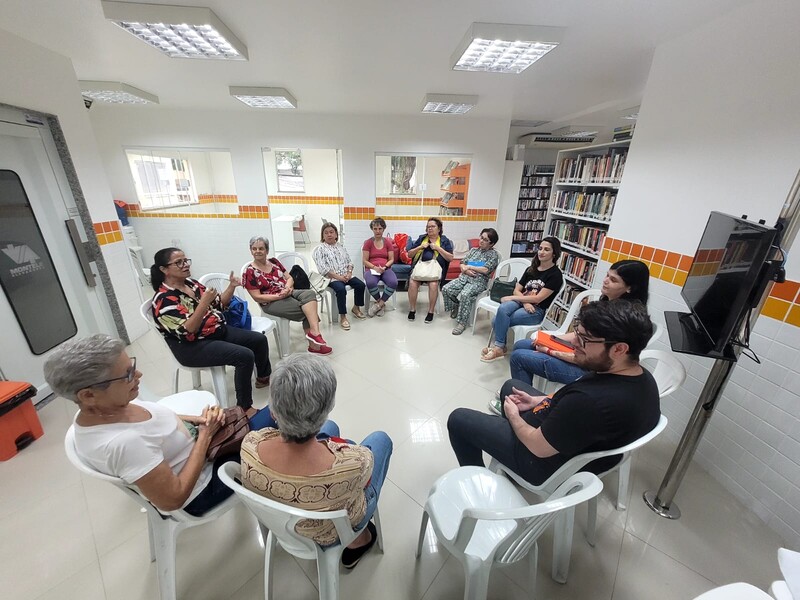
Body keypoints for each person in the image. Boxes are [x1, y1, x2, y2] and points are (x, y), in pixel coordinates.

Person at [44, 334, 279, 516]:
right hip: (203, 487)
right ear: (88, 395)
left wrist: (195, 421)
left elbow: (152, 420)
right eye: (127, 375)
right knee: (282, 411)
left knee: (275, 414)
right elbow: (173, 499)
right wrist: (206, 435)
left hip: (201, 448)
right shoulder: (124, 443)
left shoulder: (104, 408)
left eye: (133, 366)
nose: (139, 375)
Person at [448, 300, 660, 486]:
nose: (574, 343)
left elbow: (539, 447)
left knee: (458, 419)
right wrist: (535, 400)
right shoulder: (640, 377)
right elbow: (572, 403)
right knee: (510, 386)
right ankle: (508, 458)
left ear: (619, 349)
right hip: (565, 437)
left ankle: (478, 483)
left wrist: (513, 416)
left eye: (584, 339)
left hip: (541, 463)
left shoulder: (589, 402)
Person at [241, 354, 392, 569]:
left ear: (273, 411)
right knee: (380, 440)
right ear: (326, 410)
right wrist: (344, 451)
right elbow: (361, 469)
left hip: (281, 523)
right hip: (331, 532)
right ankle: (359, 540)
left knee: (333, 431)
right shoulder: (356, 462)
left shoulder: (250, 443)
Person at [150, 247, 271, 414]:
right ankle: (244, 408)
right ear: (163, 269)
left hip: (215, 330)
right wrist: (203, 303)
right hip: (192, 346)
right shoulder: (164, 299)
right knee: (244, 355)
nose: (185, 265)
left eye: (186, 260)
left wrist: (232, 286)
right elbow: (188, 330)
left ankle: (263, 378)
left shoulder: (191, 284)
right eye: (179, 262)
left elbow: (219, 304)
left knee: (259, 340)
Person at [506, 259, 650, 392]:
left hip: (590, 369)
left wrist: (549, 350)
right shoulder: (607, 304)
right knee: (522, 344)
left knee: (519, 356)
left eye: (613, 280)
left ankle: (524, 404)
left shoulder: (620, 319)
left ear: (630, 288)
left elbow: (590, 360)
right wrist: (553, 340)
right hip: (581, 354)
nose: (605, 281)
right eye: (607, 275)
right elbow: (580, 337)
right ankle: (525, 394)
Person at [242, 236, 332, 356]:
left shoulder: (274, 262)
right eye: (254, 249)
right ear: (251, 250)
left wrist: (287, 288)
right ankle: (314, 345)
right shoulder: (249, 272)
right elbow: (257, 297)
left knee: (310, 294)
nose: (257, 251)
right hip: (270, 301)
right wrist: (279, 296)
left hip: (286, 292)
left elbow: (289, 278)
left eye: (261, 248)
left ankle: (314, 333)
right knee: (307, 310)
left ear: (267, 250)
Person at [480, 237, 563, 362]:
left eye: (546, 250)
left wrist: (513, 298)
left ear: (554, 253)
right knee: (503, 309)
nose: (541, 252)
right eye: (540, 248)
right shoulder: (531, 269)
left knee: (497, 320)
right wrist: (525, 302)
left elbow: (538, 298)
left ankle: (498, 348)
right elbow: (517, 289)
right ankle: (499, 348)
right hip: (523, 303)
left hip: (536, 310)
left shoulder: (555, 275)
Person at [441, 228, 500, 335]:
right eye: (481, 237)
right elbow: (462, 262)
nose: (481, 241)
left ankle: (462, 323)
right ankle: (456, 305)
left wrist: (470, 267)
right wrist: (464, 268)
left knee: (465, 294)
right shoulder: (473, 251)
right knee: (446, 289)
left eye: (485, 240)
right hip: (464, 278)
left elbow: (486, 270)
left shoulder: (493, 255)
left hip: (478, 282)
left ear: (491, 243)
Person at [313, 222, 367, 331]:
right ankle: (343, 316)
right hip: (332, 278)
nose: (329, 235)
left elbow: (349, 262)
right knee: (341, 290)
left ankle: (356, 308)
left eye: (331, 232)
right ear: (322, 236)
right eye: (326, 233)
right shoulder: (320, 249)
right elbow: (323, 269)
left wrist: (349, 272)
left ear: (336, 234)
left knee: (361, 285)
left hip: (346, 275)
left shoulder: (341, 246)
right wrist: (339, 277)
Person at [407, 217, 454, 323]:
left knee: (433, 285)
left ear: (439, 229)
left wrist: (438, 248)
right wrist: (420, 247)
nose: (430, 228)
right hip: (420, 268)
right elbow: (410, 254)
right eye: (428, 226)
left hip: (434, 270)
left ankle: (431, 311)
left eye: (433, 226)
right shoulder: (421, 238)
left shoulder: (444, 240)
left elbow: (450, 258)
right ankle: (412, 309)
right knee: (412, 282)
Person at [362, 217, 397, 317]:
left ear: (383, 229)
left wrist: (385, 267)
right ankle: (381, 303)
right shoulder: (368, 243)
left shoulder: (388, 242)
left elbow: (391, 259)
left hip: (385, 268)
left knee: (393, 282)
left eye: (380, 228)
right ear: (372, 229)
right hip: (372, 269)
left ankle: (378, 305)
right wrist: (374, 267)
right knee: (370, 282)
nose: (377, 231)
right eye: (375, 229)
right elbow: (365, 261)